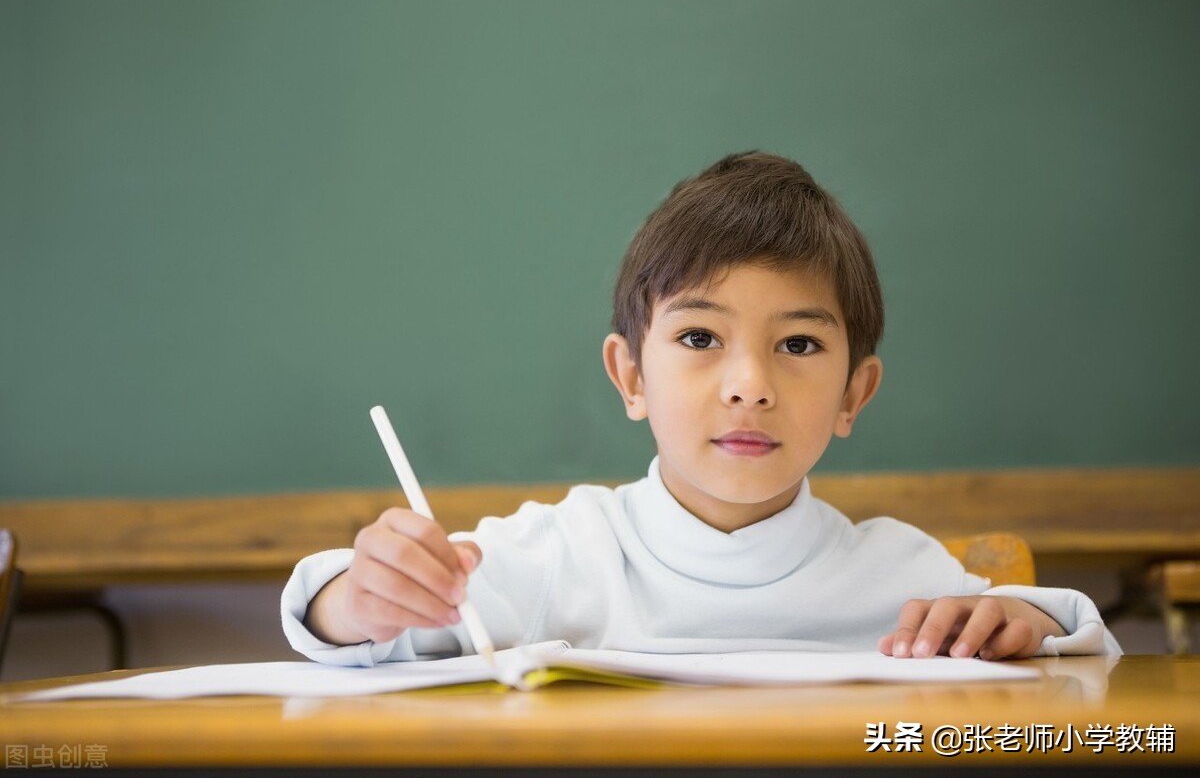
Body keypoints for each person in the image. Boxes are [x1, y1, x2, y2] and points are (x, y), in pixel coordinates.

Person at [282, 151, 1121, 666]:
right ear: (629, 378)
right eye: (698, 340)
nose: (748, 384)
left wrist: (1022, 620)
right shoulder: (560, 557)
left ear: (853, 395)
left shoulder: (901, 580)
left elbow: (1085, 654)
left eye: (798, 346)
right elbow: (344, 625)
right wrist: (358, 599)